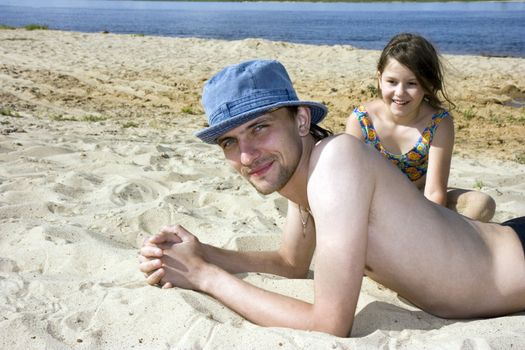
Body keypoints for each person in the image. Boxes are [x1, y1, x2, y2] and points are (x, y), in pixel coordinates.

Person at [139, 59, 525, 337]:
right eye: (230, 141)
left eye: (259, 128)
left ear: (302, 120)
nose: (246, 155)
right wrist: (204, 252)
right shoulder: (305, 180)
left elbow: (329, 324)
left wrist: (205, 277)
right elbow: (290, 264)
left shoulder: (336, 162)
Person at [346, 33, 496, 222]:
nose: (400, 93)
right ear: (379, 78)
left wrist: (421, 228)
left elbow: (434, 192)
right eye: (391, 82)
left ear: (427, 85)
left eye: (412, 84)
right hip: (372, 203)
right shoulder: (361, 120)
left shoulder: (439, 123)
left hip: (420, 202)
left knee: (482, 203)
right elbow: (350, 184)